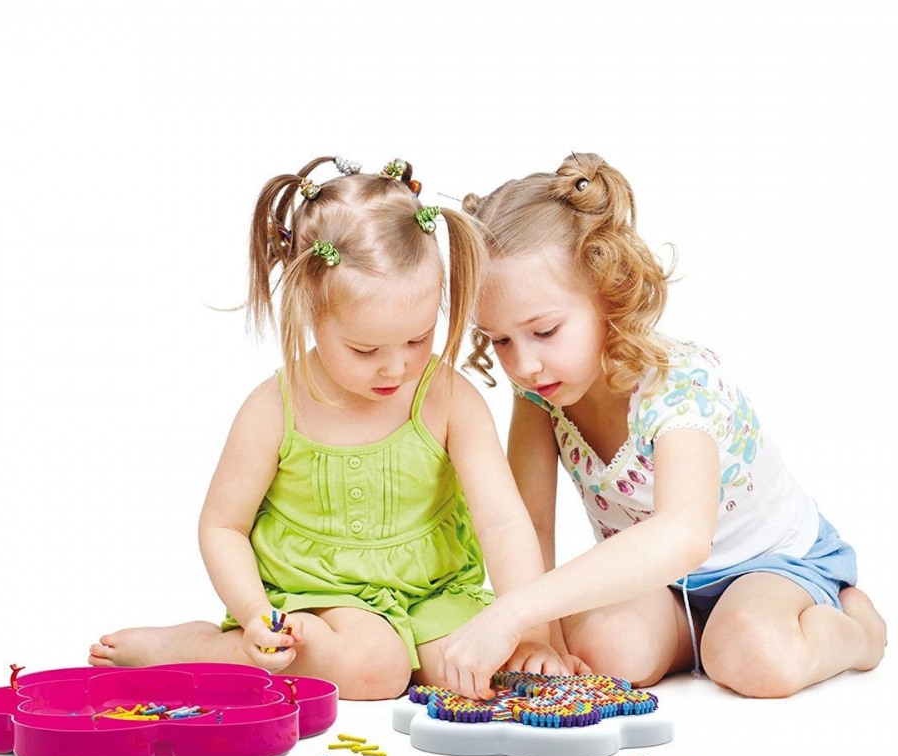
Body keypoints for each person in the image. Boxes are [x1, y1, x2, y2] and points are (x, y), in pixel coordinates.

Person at [89, 156, 564, 700]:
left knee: (483, 669)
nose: (395, 368)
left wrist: (529, 632)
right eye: (364, 349)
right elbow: (222, 526)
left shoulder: (450, 398)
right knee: (376, 670)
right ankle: (197, 649)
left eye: (417, 339)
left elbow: (502, 522)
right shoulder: (274, 408)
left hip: (433, 592)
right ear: (310, 312)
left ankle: (410, 650)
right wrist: (253, 613)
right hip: (317, 596)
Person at [437, 152, 887, 699]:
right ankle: (696, 641)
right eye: (501, 340)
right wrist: (537, 638)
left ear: (607, 294)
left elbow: (683, 533)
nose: (524, 364)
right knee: (605, 651)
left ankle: (858, 631)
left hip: (770, 565)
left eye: (546, 331)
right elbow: (531, 521)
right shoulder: (541, 390)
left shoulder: (680, 386)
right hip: (662, 584)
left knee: (755, 657)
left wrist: (513, 611)